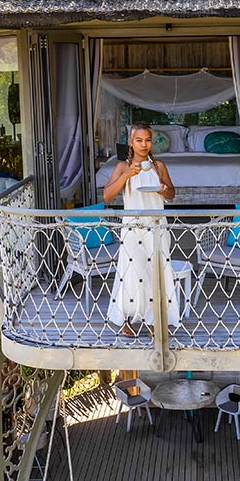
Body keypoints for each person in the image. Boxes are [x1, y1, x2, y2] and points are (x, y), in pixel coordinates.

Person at [104, 122, 178, 337]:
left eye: (147, 140)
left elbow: (172, 193)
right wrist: (127, 175)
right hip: (132, 227)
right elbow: (107, 196)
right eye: (139, 140)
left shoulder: (158, 166)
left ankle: (153, 320)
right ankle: (126, 319)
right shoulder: (121, 167)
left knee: (155, 273)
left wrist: (165, 191)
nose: (144, 144)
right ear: (131, 142)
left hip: (157, 227)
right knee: (131, 272)